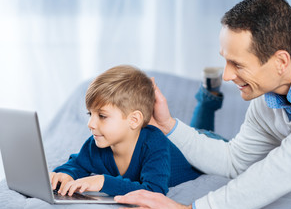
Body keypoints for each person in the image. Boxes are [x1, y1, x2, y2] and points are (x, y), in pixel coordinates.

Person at [114, 0, 291, 209]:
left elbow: (290, 165)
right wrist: (167, 125)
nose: (227, 75)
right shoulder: (267, 101)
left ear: (281, 61)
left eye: (237, 64)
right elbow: (233, 161)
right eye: (225, 60)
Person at [50, 65, 201, 197]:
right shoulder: (97, 144)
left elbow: (155, 190)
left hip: (194, 151)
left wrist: (103, 181)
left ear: (134, 120)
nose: (90, 124)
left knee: (202, 134)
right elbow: (77, 164)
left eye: (102, 116)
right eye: (90, 114)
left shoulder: (154, 143)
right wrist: (65, 174)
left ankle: (207, 99)